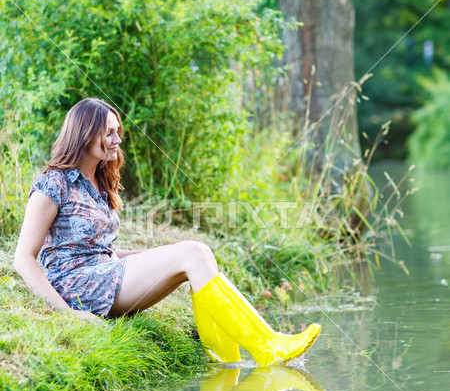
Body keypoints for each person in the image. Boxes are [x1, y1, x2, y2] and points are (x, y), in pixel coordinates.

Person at [14, 97, 321, 367]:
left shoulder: (99, 183)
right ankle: (268, 346)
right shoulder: (53, 183)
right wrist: (69, 314)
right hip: (76, 288)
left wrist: (151, 257)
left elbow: (99, 249)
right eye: (109, 132)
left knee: (199, 253)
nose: (117, 139)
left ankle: (227, 359)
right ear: (84, 134)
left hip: (104, 273)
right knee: (192, 253)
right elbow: (23, 259)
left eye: (117, 131)